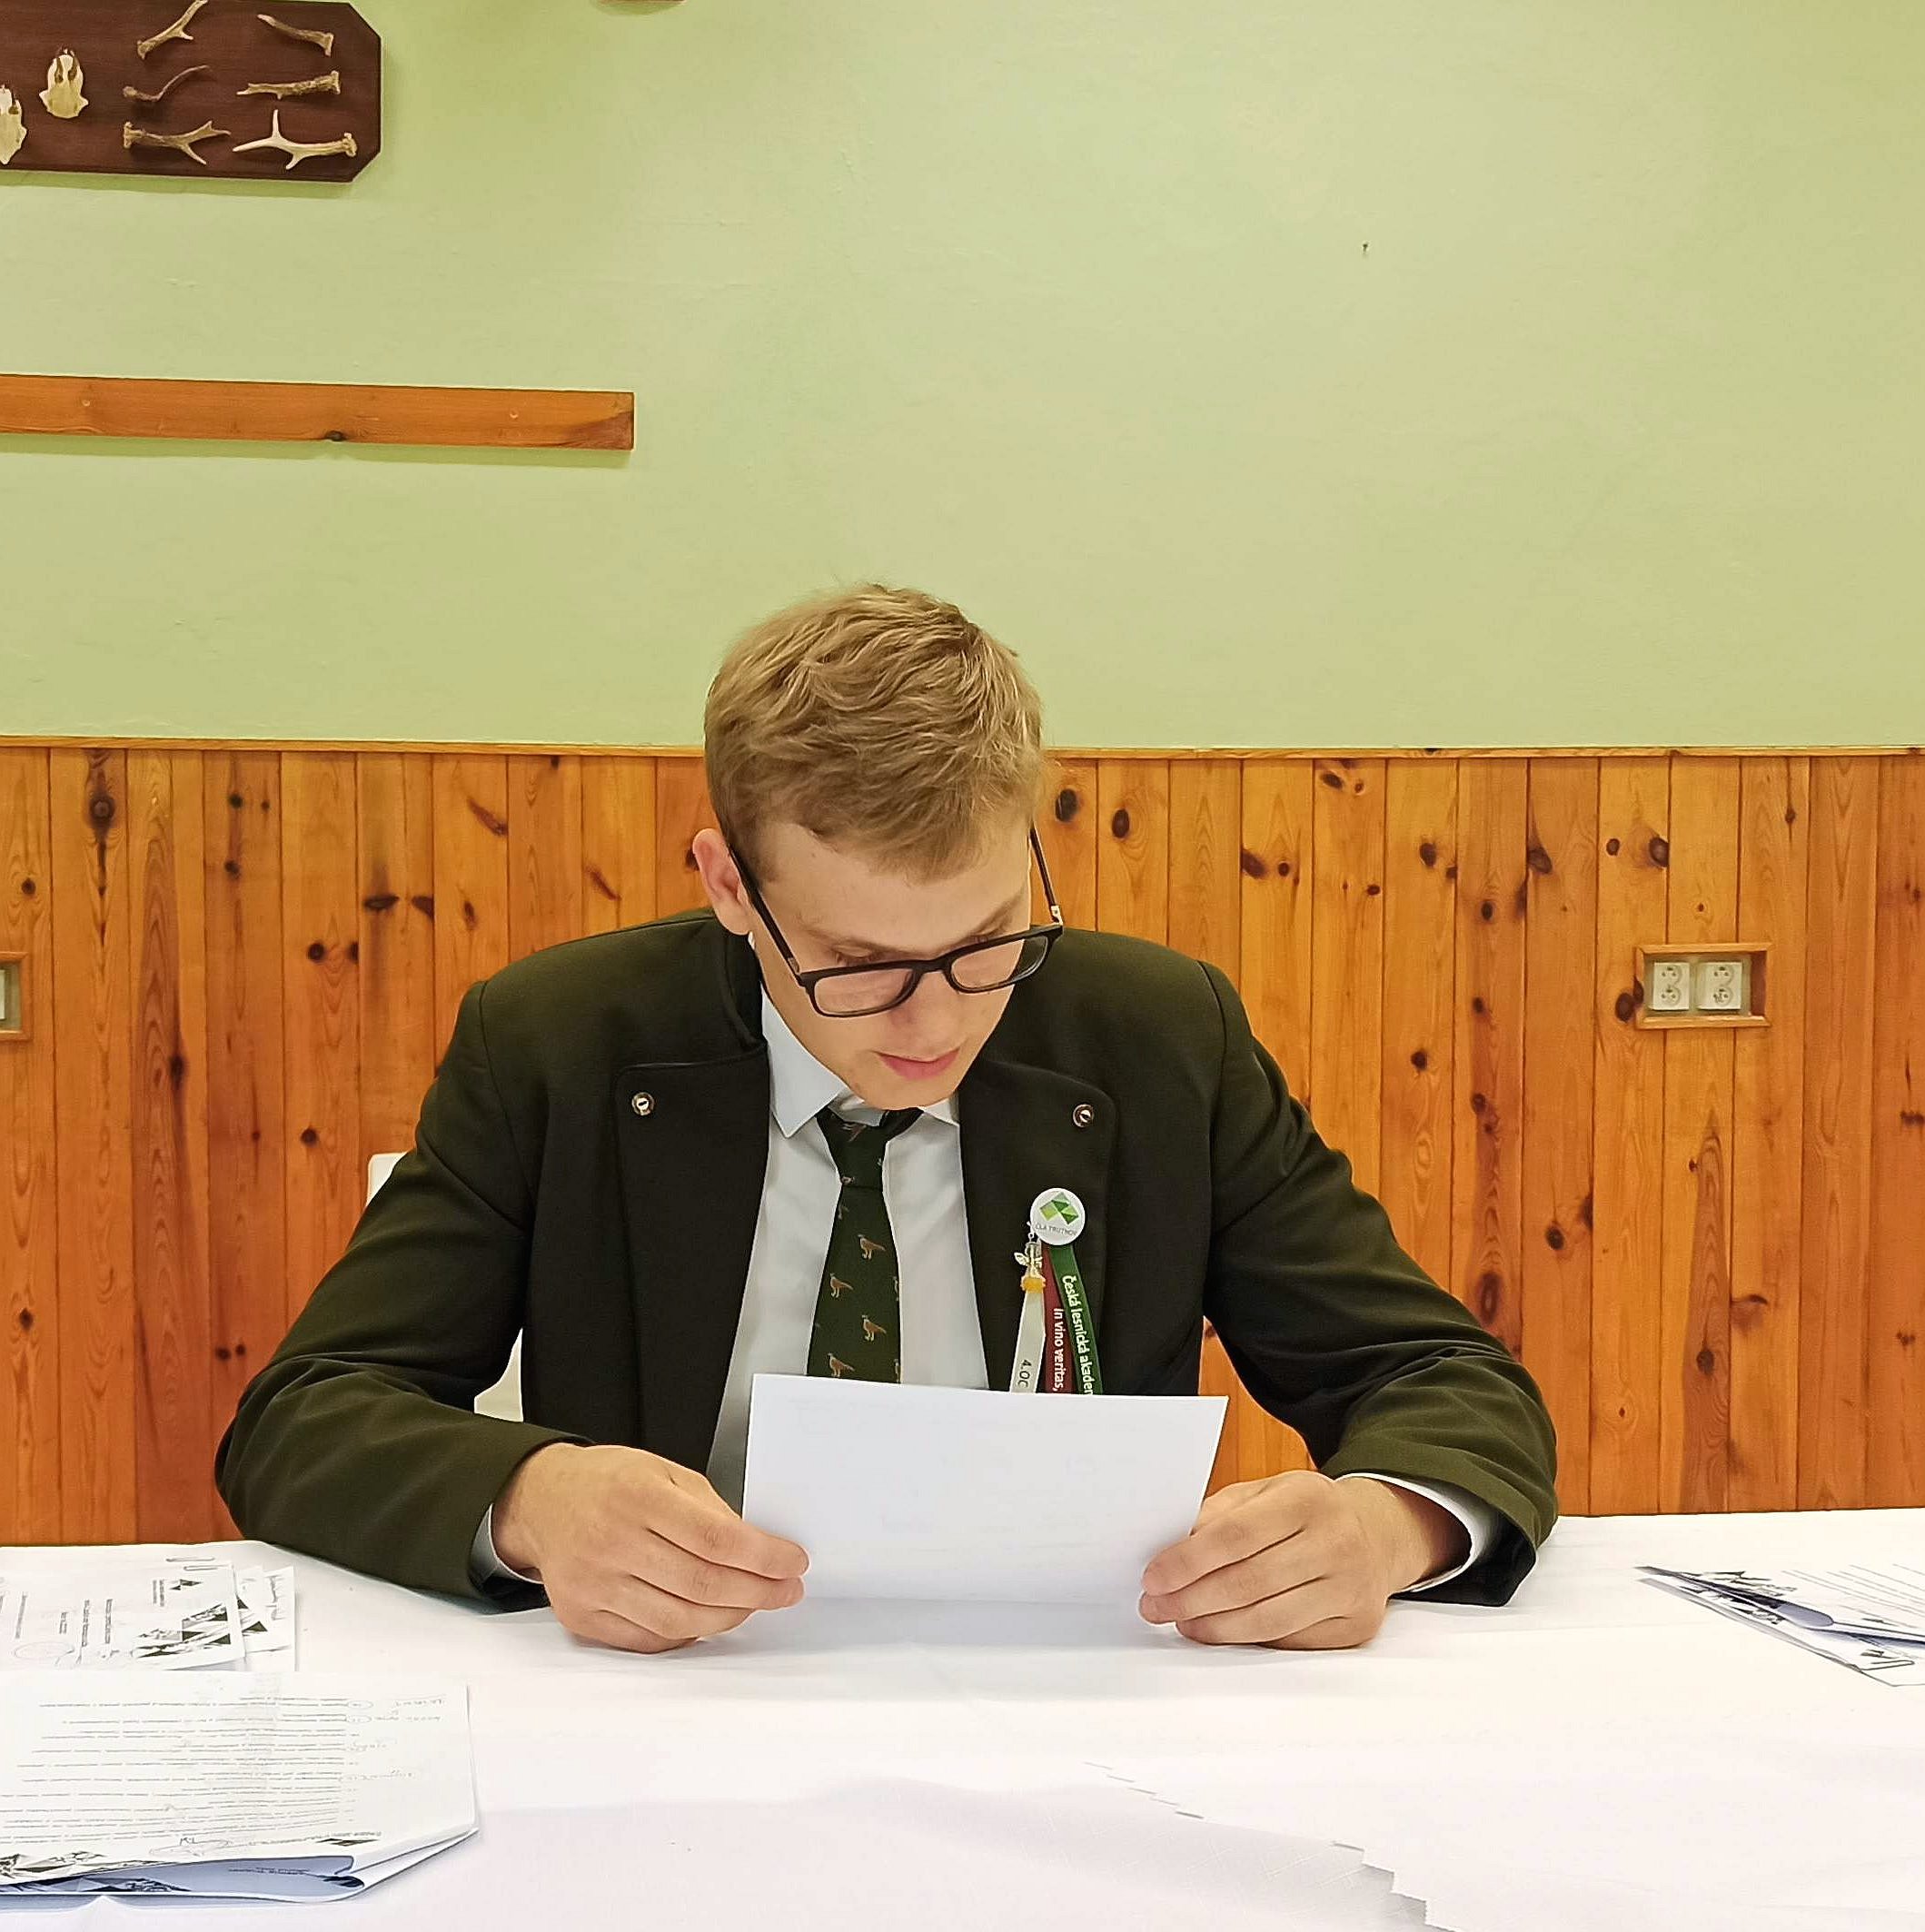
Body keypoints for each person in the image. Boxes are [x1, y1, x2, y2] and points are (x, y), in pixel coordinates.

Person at [217, 586, 1556, 1653]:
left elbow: (1437, 1376)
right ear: (728, 886)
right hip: (680, 1693)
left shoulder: (1156, 1042)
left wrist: (1390, 1526)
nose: (936, 1021)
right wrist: (531, 1501)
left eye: (987, 942)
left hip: (1073, 1698)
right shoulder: (562, 1043)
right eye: (857, 965)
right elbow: (307, 1417)